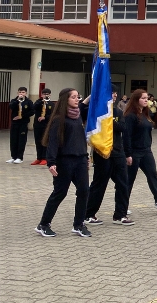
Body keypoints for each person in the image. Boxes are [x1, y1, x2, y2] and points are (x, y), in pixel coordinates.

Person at [35, 88, 92, 238]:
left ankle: (79, 224)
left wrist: (85, 156)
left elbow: (81, 139)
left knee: (84, 191)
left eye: (77, 96)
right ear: (65, 99)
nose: (76, 99)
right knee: (60, 193)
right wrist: (51, 162)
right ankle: (43, 224)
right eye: (73, 97)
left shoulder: (78, 115)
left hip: (80, 159)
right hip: (64, 160)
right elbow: (52, 142)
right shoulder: (58, 119)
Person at [85, 89, 134, 226]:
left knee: (123, 183)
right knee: (99, 184)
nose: (115, 95)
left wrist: (109, 122)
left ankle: (120, 215)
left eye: (115, 93)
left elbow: (122, 128)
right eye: (111, 93)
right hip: (102, 153)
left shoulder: (117, 112)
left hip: (118, 152)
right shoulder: (96, 111)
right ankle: (88, 214)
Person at [124, 90, 157, 213]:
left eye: (147, 98)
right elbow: (127, 136)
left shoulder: (146, 113)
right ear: (136, 100)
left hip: (146, 151)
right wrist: (127, 154)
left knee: (152, 175)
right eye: (143, 98)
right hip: (134, 152)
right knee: (129, 179)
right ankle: (123, 204)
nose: (146, 100)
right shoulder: (130, 116)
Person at [8, 86, 35, 164]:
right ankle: (13, 157)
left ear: (26, 93)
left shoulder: (28, 102)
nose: (21, 94)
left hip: (23, 123)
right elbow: (11, 106)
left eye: (23, 92)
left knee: (21, 140)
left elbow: (32, 111)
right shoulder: (14, 100)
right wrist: (17, 101)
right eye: (20, 92)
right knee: (13, 140)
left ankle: (20, 157)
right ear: (17, 93)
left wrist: (22, 116)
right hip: (14, 123)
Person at [31, 88, 54, 165]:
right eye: (44, 94)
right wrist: (42, 102)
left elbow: (53, 115)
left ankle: (45, 157)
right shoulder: (38, 102)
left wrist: (45, 117)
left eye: (47, 94)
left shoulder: (51, 104)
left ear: (50, 95)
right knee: (38, 141)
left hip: (46, 125)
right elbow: (33, 108)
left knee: (45, 141)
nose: (46, 95)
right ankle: (39, 157)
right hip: (38, 125)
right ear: (41, 95)